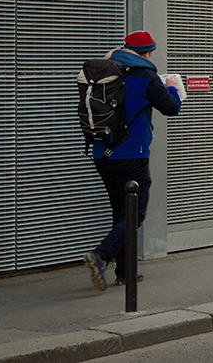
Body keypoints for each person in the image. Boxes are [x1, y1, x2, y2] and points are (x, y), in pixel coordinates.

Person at [82, 31, 182, 292]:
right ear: (148, 53)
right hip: (132, 155)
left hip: (102, 155)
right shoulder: (145, 76)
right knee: (135, 213)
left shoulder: (108, 73)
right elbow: (172, 107)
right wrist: (171, 85)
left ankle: (125, 272)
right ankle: (100, 256)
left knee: (121, 212)